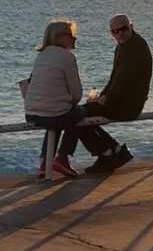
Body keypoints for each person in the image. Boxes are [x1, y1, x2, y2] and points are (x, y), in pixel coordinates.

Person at [23, 19, 114, 178]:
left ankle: (46, 163)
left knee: (57, 118)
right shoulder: (67, 57)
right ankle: (63, 158)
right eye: (71, 35)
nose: (74, 38)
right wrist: (75, 102)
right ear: (58, 37)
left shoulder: (42, 56)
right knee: (78, 113)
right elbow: (76, 93)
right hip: (52, 113)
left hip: (31, 112)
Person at [79, 13, 153, 174]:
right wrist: (101, 97)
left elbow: (125, 79)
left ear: (131, 27)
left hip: (127, 104)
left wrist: (107, 98)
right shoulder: (123, 46)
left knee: (77, 115)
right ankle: (113, 151)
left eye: (123, 29)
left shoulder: (136, 46)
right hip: (121, 100)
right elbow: (115, 78)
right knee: (81, 114)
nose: (119, 34)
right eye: (114, 31)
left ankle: (109, 152)